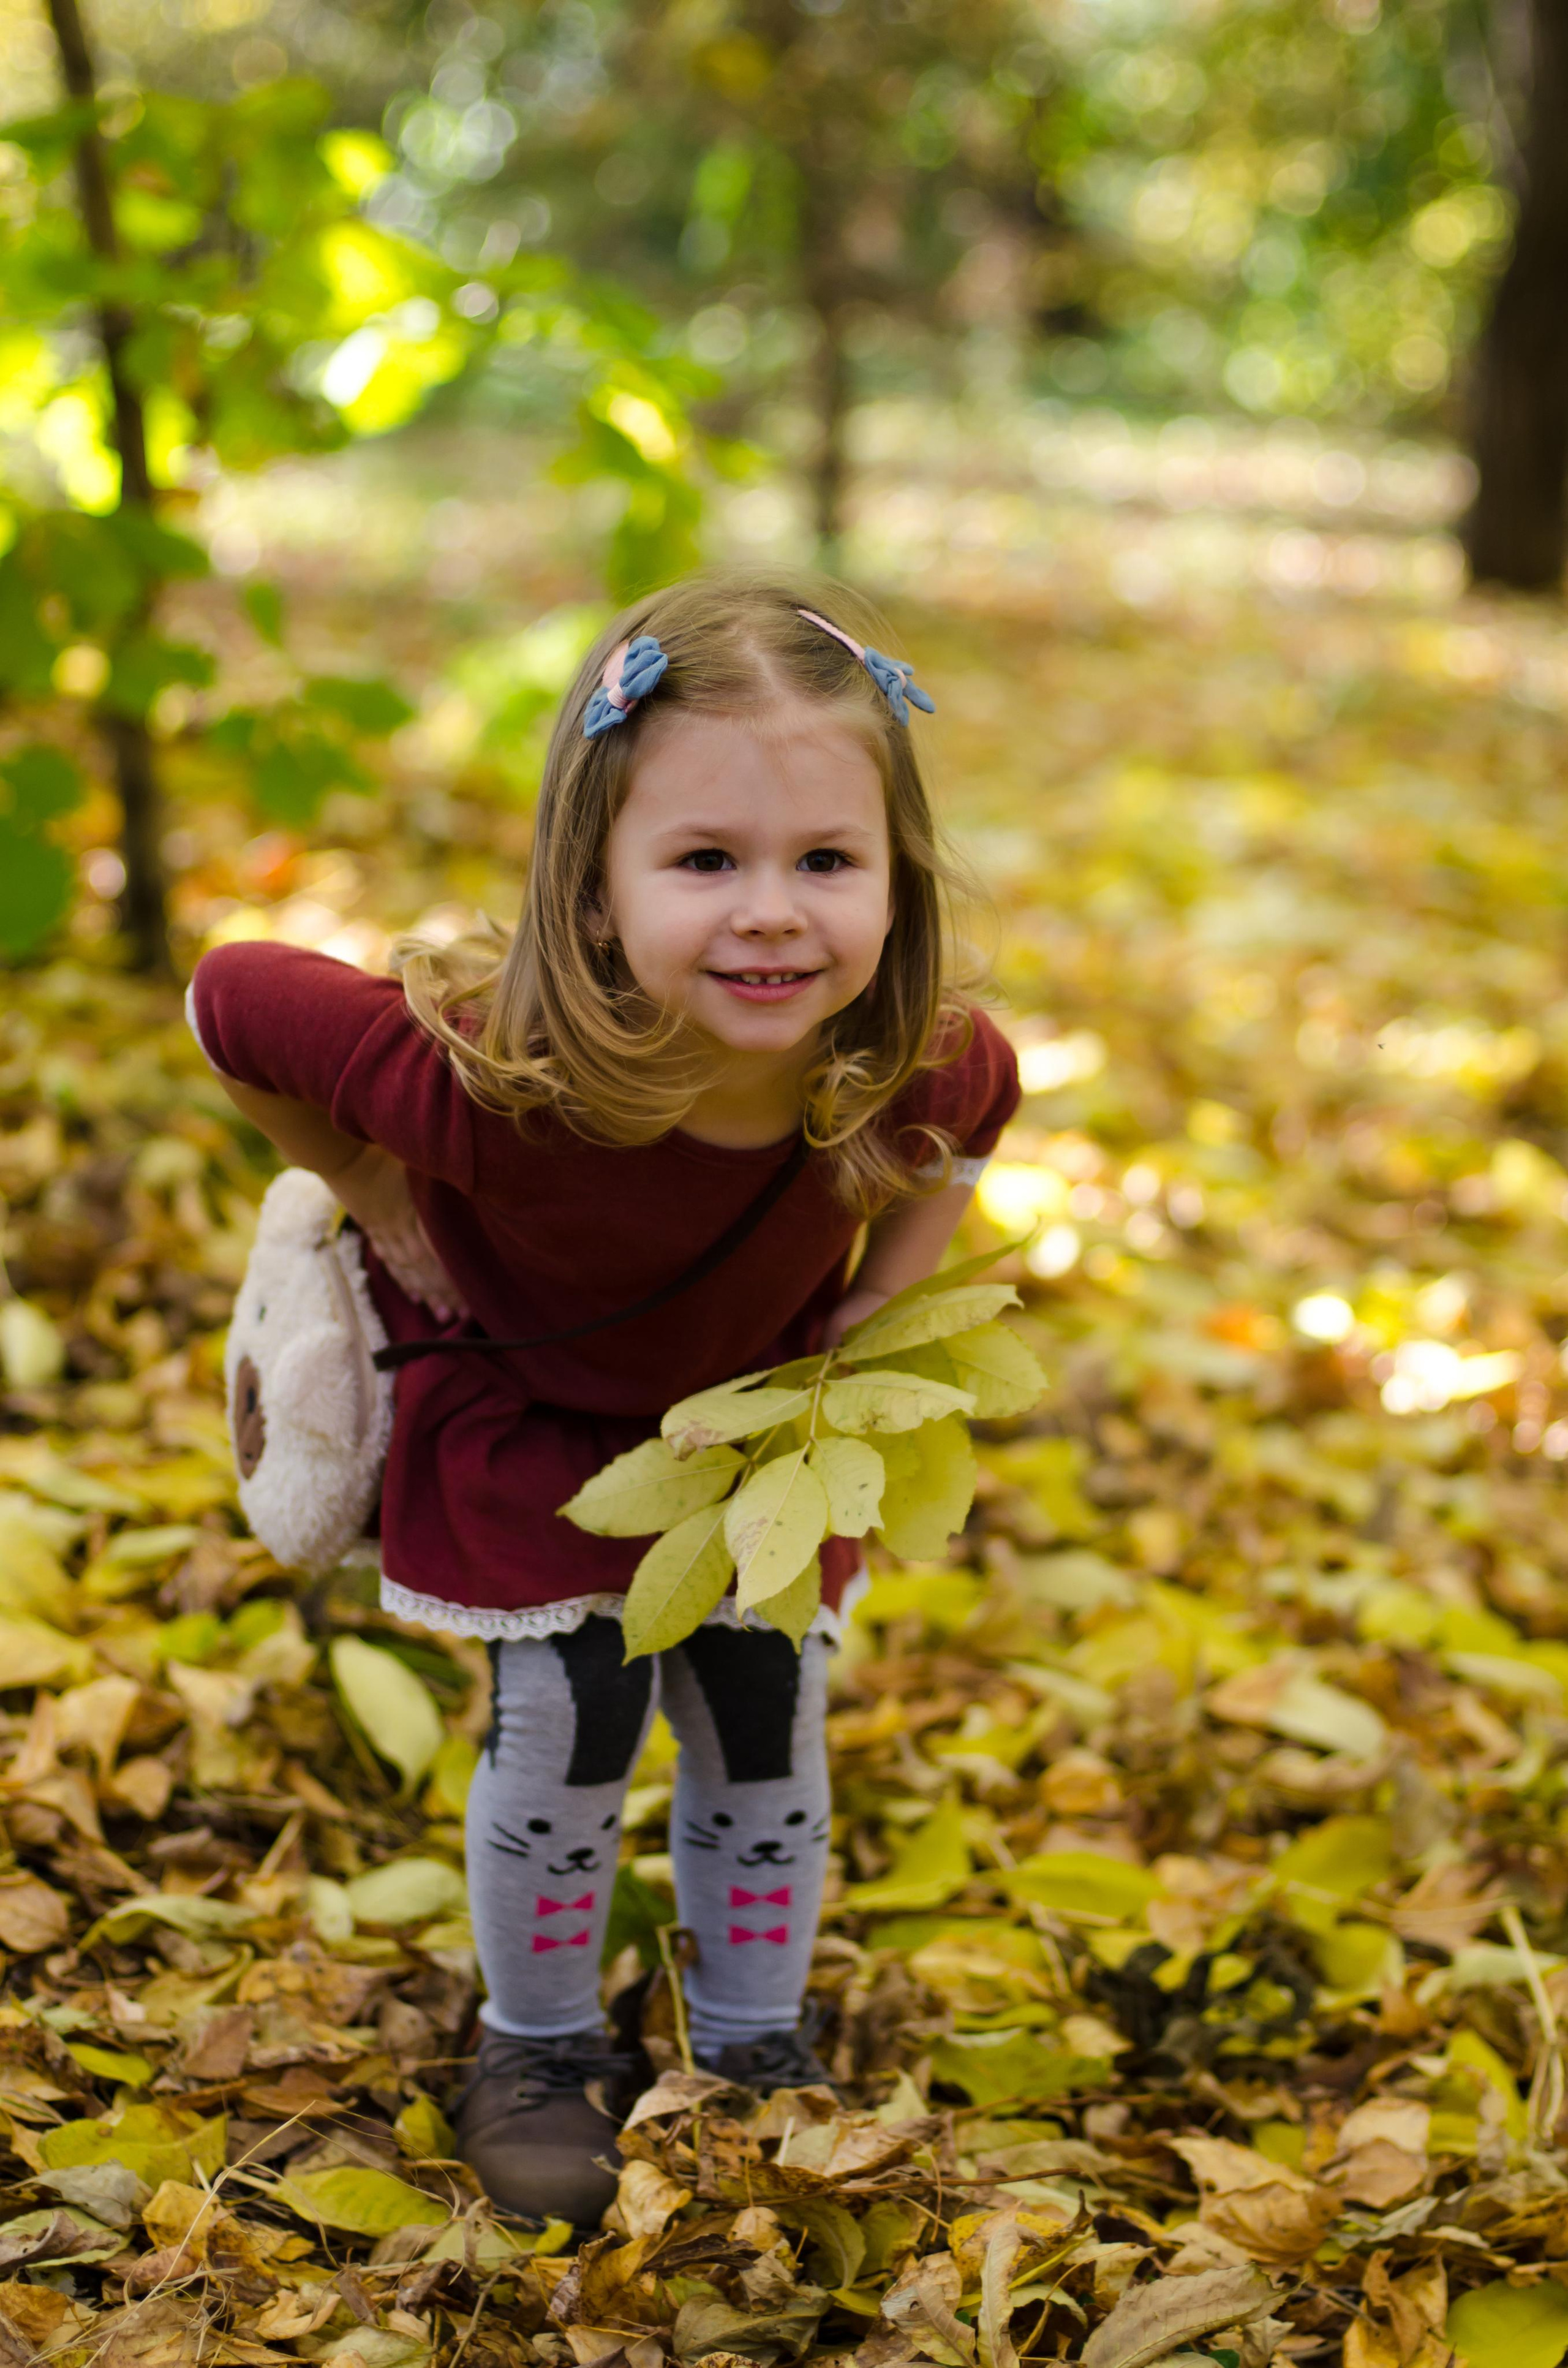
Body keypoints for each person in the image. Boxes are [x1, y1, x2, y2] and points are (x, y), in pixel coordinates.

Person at [187, 573, 1020, 2225]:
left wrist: (878, 1302)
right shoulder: (492, 1082)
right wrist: (373, 1179)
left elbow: (980, 1114)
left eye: (825, 862)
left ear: (892, 877)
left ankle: (753, 2042)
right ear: (597, 876)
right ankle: (541, 2042)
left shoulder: (894, 1058)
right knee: (570, 1727)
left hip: (746, 1450)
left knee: (765, 1728)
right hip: (543, 1432)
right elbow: (232, 1000)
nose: (772, 911)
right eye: (706, 860)